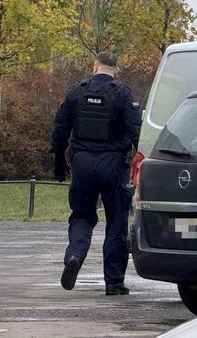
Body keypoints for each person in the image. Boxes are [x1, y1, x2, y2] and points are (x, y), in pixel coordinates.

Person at [50, 51, 142, 296]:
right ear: (117, 70)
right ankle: (113, 282)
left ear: (94, 67)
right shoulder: (122, 93)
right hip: (112, 165)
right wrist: (143, 160)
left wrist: (59, 161)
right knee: (116, 222)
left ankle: (74, 256)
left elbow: (59, 129)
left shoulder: (76, 92)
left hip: (82, 163)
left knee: (81, 216)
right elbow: (137, 131)